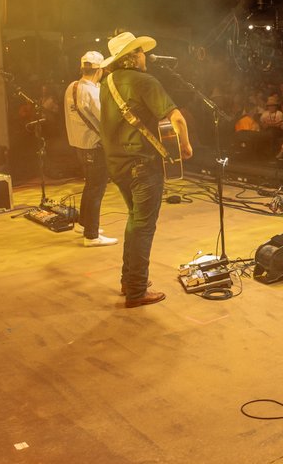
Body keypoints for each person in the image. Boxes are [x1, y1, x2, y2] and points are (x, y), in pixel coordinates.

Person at [100, 31, 193, 308]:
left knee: (134, 221)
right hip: (142, 165)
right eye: (141, 51)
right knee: (143, 227)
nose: (145, 56)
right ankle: (137, 291)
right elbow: (177, 118)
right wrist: (185, 146)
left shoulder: (108, 82)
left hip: (117, 164)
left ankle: (129, 280)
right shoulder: (144, 81)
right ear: (133, 56)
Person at [63, 50, 117, 247]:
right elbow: (106, 120)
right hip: (95, 146)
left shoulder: (72, 87)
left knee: (90, 185)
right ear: (99, 70)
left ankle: (83, 224)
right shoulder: (92, 92)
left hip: (79, 144)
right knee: (96, 189)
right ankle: (92, 235)